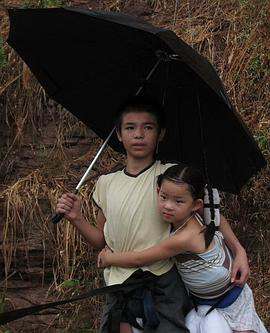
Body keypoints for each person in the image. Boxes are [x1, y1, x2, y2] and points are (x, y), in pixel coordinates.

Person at [56, 97, 250, 333]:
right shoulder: (105, 184)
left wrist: (239, 251)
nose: (139, 134)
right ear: (118, 134)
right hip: (118, 281)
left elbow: (211, 215)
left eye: (148, 127)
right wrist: (76, 218)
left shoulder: (170, 176)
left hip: (162, 281)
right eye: (130, 127)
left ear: (161, 134)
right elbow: (101, 241)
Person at [98, 164, 267, 333]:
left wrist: (109, 259)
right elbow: (218, 218)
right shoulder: (194, 214)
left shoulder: (185, 237)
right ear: (157, 192)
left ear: (195, 204)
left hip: (231, 299)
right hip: (205, 302)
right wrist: (239, 251)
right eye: (164, 197)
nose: (168, 206)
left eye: (178, 201)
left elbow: (140, 258)